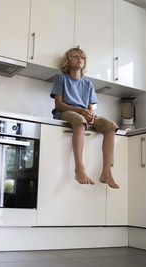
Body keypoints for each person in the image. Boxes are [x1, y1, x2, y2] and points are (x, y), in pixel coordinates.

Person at [50, 47, 119, 189]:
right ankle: (79, 169)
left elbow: (90, 107)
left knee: (110, 126)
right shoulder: (61, 79)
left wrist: (91, 114)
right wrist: (81, 111)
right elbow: (58, 104)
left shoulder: (88, 84)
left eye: (82, 57)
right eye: (75, 56)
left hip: (82, 113)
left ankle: (106, 171)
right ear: (67, 62)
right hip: (66, 112)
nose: (79, 58)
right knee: (80, 120)